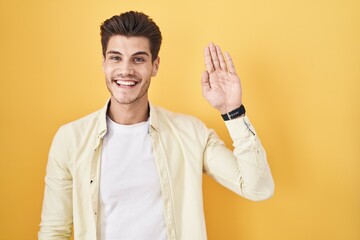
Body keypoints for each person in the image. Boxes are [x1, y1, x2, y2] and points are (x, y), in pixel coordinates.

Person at [38, 11, 274, 240]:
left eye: (138, 59)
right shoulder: (70, 139)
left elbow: (257, 188)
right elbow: (54, 231)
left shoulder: (191, 133)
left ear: (155, 65)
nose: (126, 70)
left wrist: (231, 111)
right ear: (104, 63)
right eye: (116, 57)